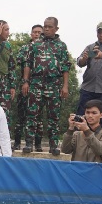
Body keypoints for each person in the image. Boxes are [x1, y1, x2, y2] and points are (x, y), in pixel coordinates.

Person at [21, 17, 70, 156]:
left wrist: (65, 86)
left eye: (50, 27)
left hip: (54, 84)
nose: (47, 29)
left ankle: (54, 145)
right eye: (45, 26)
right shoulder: (35, 44)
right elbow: (28, 64)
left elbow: (66, 66)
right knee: (32, 115)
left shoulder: (61, 46)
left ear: (56, 29)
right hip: (36, 83)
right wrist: (25, 81)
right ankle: (29, 143)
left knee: (53, 117)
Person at [12, 24, 43, 151]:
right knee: (21, 115)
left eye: (39, 32)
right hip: (25, 86)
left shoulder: (46, 49)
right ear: (31, 34)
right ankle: (18, 142)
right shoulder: (25, 48)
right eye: (34, 32)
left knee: (38, 117)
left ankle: (38, 144)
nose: (37, 34)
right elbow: (18, 62)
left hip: (40, 87)